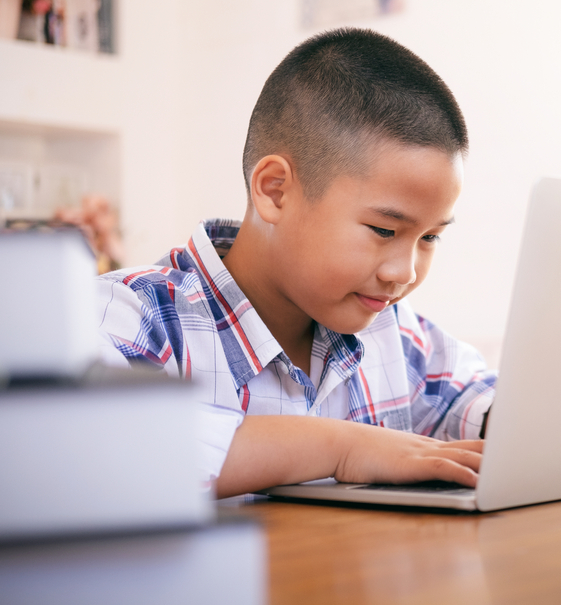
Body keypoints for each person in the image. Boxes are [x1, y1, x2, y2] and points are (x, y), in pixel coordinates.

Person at [95, 29, 495, 498]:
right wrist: (343, 449)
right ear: (275, 191)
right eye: (384, 231)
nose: (403, 273)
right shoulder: (133, 316)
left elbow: (487, 406)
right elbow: (88, 446)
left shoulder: (395, 337)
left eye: (429, 237)